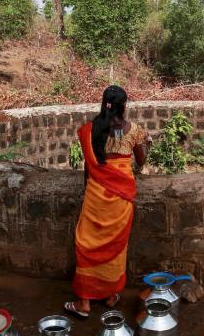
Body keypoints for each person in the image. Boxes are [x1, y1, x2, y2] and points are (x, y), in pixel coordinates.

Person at [64, 86, 150, 318]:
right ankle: (111, 295)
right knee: (117, 246)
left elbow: (88, 167)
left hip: (95, 194)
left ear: (105, 104)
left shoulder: (91, 130)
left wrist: (88, 190)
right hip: (121, 198)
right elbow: (140, 162)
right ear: (124, 105)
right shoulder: (135, 131)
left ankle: (84, 302)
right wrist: (146, 144)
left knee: (87, 243)